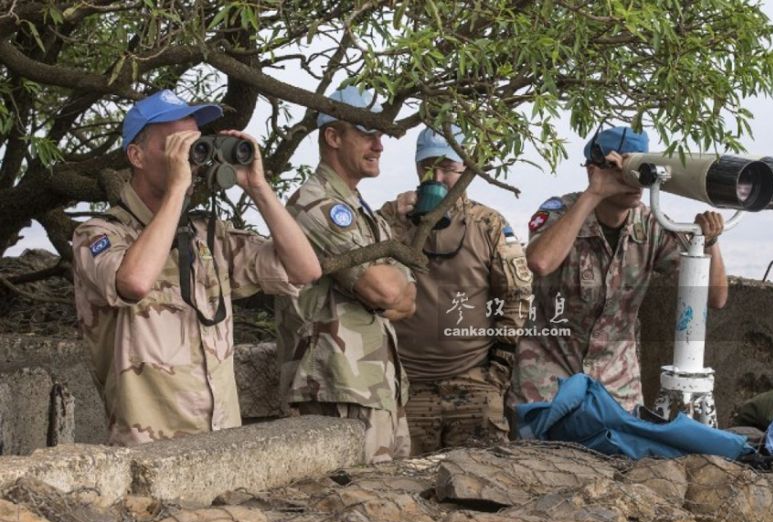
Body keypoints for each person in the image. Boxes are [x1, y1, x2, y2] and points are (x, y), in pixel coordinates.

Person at [72, 89, 321, 446]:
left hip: (222, 443)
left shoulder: (207, 235)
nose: (191, 159)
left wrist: (258, 187)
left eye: (197, 145)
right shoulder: (98, 234)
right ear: (137, 156)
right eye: (178, 146)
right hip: (148, 450)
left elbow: (305, 270)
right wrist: (177, 190)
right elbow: (134, 283)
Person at [508, 126, 728, 416]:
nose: (635, 180)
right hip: (547, 375)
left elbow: (716, 298)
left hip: (615, 384)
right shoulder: (561, 212)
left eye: (641, 169)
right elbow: (540, 262)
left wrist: (708, 241)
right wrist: (593, 194)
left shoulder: (651, 226)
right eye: (623, 168)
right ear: (592, 170)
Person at [275, 86, 416, 464]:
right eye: (367, 133)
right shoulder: (316, 204)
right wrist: (384, 289)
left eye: (381, 134)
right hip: (335, 390)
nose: (380, 145)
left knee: (391, 511)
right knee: (345, 512)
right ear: (333, 137)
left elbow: (409, 300)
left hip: (376, 390)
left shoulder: (361, 210)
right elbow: (387, 292)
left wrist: (385, 290)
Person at [378, 126, 533, 454]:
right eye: (427, 166)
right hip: (406, 386)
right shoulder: (391, 220)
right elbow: (363, 275)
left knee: (481, 488)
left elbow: (518, 297)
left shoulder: (487, 224)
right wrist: (396, 222)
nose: (437, 176)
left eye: (448, 168)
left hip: (474, 383)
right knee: (401, 488)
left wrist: (497, 372)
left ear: (466, 169)